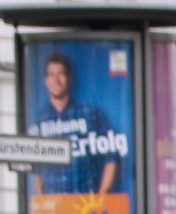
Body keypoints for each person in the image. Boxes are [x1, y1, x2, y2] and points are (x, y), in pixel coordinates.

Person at [30, 51, 119, 198]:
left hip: (85, 205)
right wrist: (41, 201)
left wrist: (102, 196)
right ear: (46, 80)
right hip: (54, 208)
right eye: (51, 74)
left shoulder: (89, 113)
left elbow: (112, 155)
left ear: (69, 78)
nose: (56, 80)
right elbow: (35, 167)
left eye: (61, 74)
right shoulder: (40, 120)